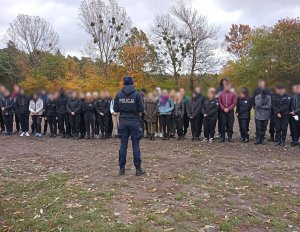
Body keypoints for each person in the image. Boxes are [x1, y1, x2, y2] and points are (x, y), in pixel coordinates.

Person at [113, 76, 145, 176]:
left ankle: (121, 168)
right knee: (136, 145)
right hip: (134, 122)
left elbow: (115, 108)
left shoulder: (119, 94)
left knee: (123, 145)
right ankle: (138, 169)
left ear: (124, 83)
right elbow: (141, 109)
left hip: (123, 121)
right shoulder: (137, 94)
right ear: (132, 83)